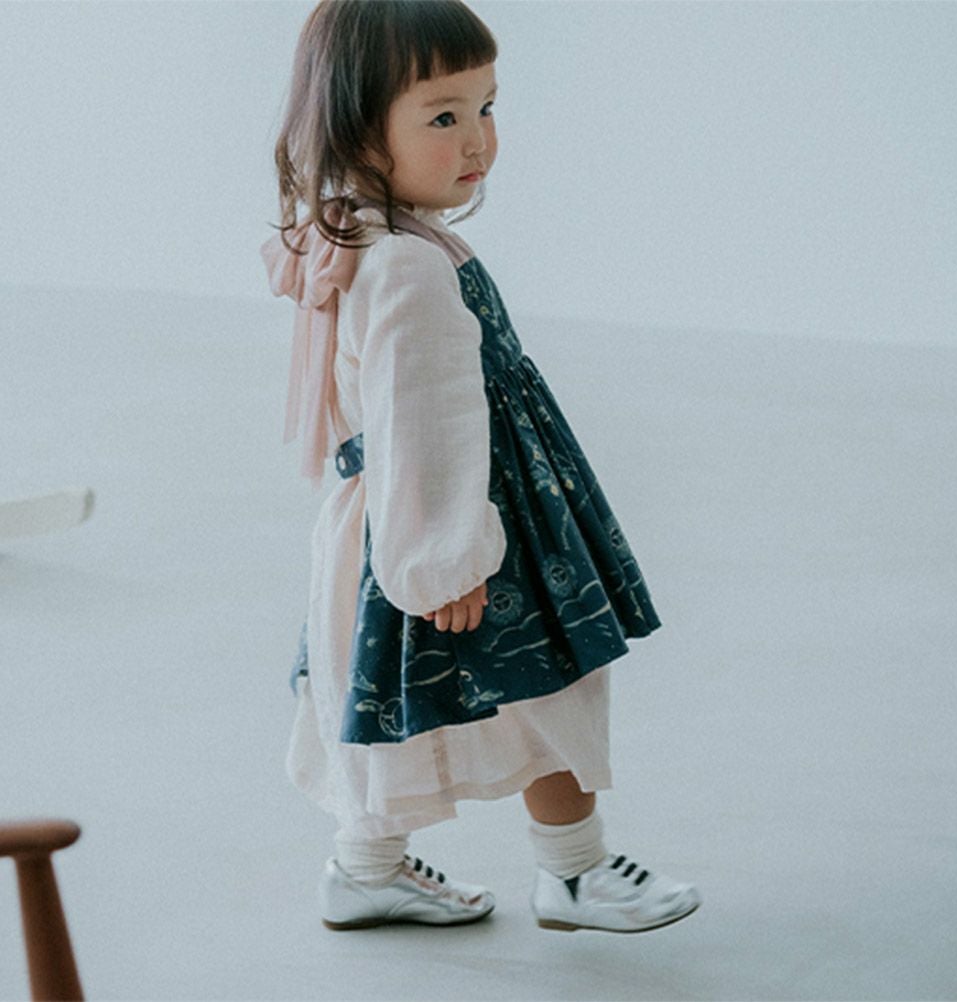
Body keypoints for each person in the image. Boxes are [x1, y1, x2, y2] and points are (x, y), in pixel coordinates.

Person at [260, 0, 700, 934]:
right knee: (549, 686)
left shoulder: (367, 236)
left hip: (404, 518)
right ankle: (575, 872)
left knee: (383, 698)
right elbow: (421, 417)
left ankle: (365, 869)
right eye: (443, 116)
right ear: (359, 129)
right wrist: (443, 561)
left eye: (487, 107)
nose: (478, 140)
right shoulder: (408, 267)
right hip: (458, 521)